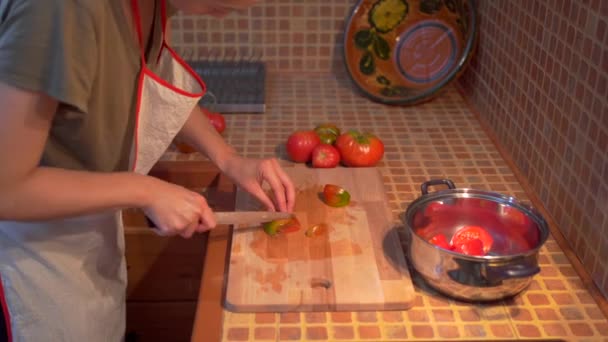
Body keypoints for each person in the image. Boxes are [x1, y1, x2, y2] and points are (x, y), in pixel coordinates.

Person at [0, 0, 294, 340]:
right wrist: (143, 190)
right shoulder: (59, 9)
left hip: (85, 234)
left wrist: (229, 160)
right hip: (28, 258)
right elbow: (7, 189)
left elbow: (148, 82)